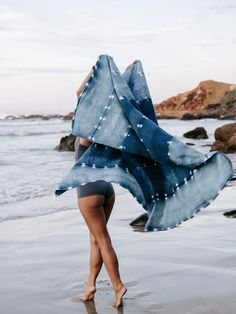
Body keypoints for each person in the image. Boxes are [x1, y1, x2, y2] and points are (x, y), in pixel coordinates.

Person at [74, 61, 136, 308]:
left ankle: (118, 286)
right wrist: (102, 73)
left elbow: (80, 95)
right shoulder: (110, 130)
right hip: (106, 190)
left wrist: (97, 74)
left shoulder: (88, 131)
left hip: (88, 194)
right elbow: (80, 93)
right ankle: (90, 285)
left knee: (103, 240)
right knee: (96, 240)